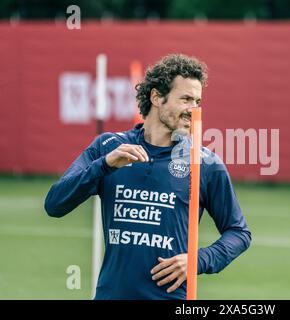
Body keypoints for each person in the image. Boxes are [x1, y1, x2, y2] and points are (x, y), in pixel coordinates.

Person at [44, 54, 252, 300]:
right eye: (185, 99)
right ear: (156, 97)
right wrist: (105, 165)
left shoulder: (204, 163)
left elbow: (239, 232)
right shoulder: (108, 146)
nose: (192, 110)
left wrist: (199, 259)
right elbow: (54, 204)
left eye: (197, 101)